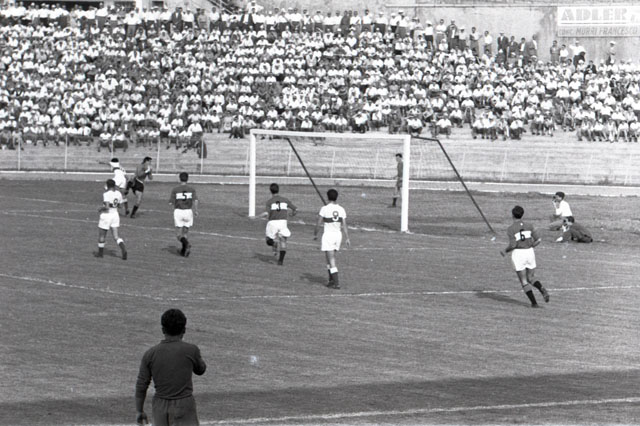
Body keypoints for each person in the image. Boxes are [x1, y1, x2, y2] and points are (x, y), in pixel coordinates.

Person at [135, 309, 207, 426]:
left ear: (163, 330)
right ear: (184, 329)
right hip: (184, 405)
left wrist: (139, 410)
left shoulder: (150, 354)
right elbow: (201, 370)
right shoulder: (191, 350)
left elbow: (141, 385)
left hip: (160, 406)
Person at [500, 205, 550, 308]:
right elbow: (538, 240)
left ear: (512, 215)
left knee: (523, 280)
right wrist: (532, 246)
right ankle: (541, 288)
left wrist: (505, 251)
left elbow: (513, 245)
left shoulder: (511, 229)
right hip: (530, 252)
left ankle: (534, 303)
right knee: (531, 277)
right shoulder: (529, 225)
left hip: (519, 254)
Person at [314, 189, 350, 289]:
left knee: (331, 259)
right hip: (338, 236)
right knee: (328, 259)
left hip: (328, 236)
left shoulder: (324, 209)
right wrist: (347, 238)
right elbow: (344, 225)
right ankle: (331, 280)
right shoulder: (341, 209)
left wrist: (315, 234)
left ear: (327, 197)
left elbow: (318, 223)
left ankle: (337, 283)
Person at [258, 183, 297, 265]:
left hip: (272, 222)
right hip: (282, 222)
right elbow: (295, 209)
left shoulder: (269, 202)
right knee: (283, 241)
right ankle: (280, 261)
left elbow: (266, 213)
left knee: (268, 240)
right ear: (278, 190)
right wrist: (292, 214)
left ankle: (273, 243)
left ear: (270, 191)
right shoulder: (285, 200)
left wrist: (256, 217)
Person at [96, 179, 127, 260]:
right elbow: (120, 206)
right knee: (116, 236)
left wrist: (100, 209)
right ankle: (123, 248)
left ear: (107, 185)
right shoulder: (118, 193)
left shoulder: (106, 194)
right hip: (115, 215)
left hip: (106, 215)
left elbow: (106, 207)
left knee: (102, 235)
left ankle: (100, 254)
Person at [169, 172, 199, 257]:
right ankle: (183, 251)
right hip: (188, 212)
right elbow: (195, 200)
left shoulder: (175, 190)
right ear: (187, 179)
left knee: (178, 235)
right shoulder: (191, 189)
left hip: (179, 211)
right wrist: (196, 210)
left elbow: (171, 202)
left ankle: (186, 244)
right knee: (185, 233)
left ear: (179, 178)